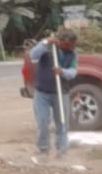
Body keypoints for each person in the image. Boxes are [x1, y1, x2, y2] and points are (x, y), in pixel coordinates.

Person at [29, 28, 78, 160]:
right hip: (42, 92)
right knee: (43, 121)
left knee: (62, 123)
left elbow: (73, 72)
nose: (69, 47)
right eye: (67, 45)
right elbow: (33, 55)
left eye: (71, 45)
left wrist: (62, 72)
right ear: (59, 41)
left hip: (62, 93)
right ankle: (43, 150)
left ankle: (62, 151)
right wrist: (45, 42)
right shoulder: (47, 47)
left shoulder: (72, 53)